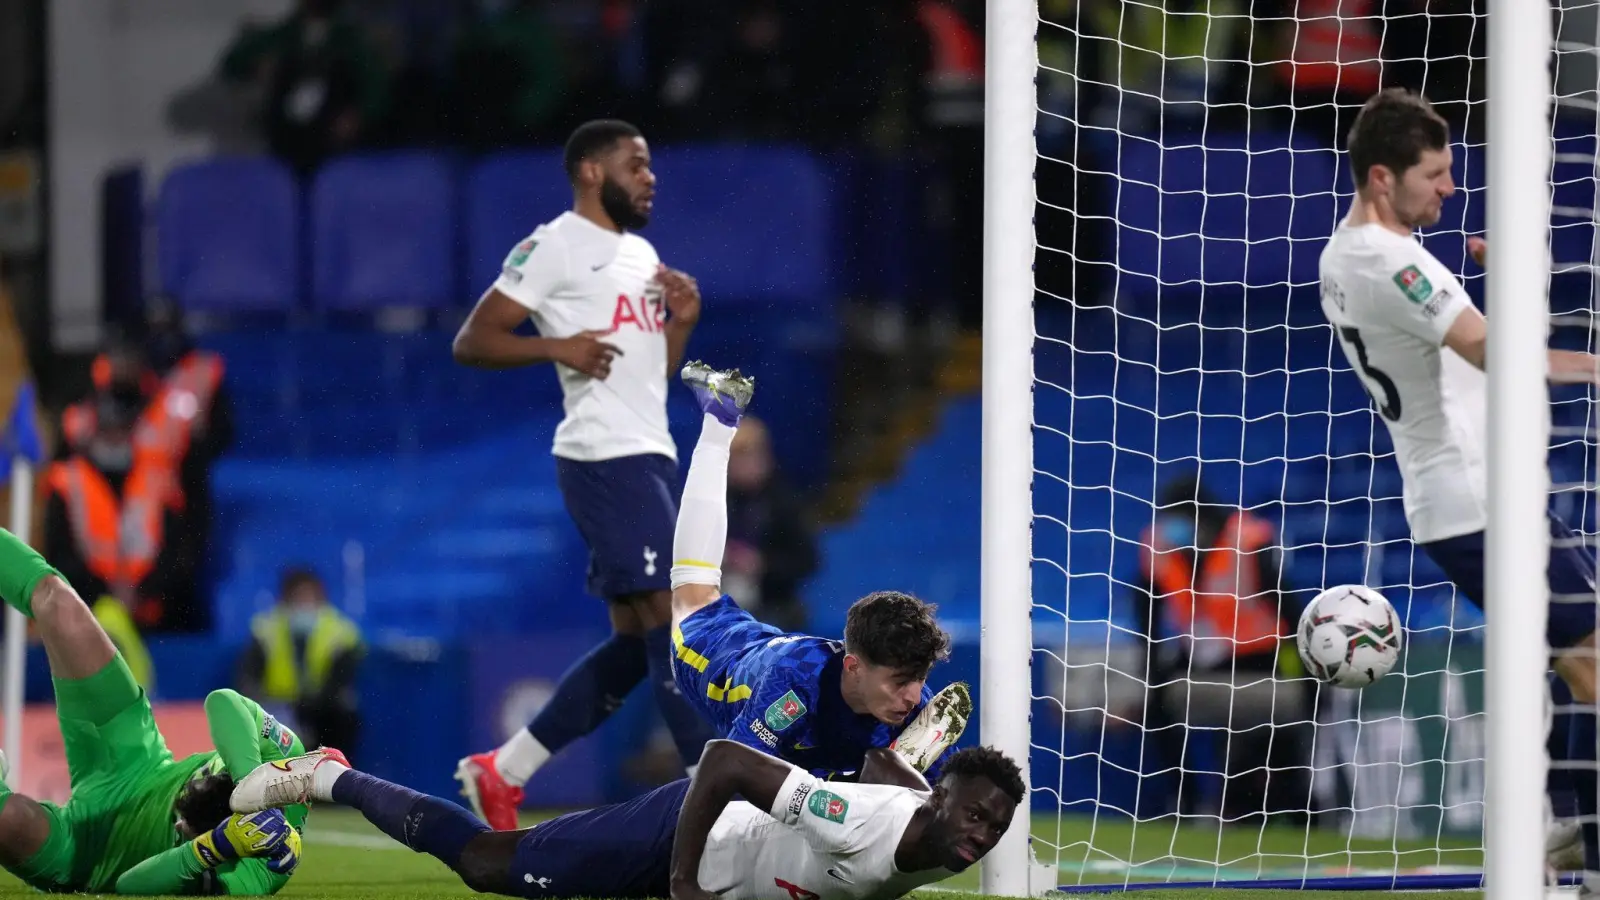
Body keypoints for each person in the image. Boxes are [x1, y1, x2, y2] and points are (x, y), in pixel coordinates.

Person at [1318, 87, 1600, 880]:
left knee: (1578, 659)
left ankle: (1570, 828)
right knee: (1588, 660)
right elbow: (1495, 356)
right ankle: (1574, 835)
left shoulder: (1343, 257)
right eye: (1435, 175)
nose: (1449, 188)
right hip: (1475, 497)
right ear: (1383, 177)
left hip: (1469, 495)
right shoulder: (1390, 260)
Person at [451, 118, 715, 828]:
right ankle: (714, 803)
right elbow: (473, 339)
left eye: (651, 164)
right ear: (592, 172)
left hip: (646, 449)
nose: (649, 176)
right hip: (604, 456)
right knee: (677, 624)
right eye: (636, 163)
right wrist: (556, 345)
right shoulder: (555, 245)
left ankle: (502, 773)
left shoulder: (641, 254)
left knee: (639, 643)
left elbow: (650, 374)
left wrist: (682, 323)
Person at [228, 739, 1022, 900]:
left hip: (722, 868)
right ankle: (328, 776)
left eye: (996, 829)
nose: (982, 838)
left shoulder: (936, 828)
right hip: (686, 838)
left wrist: (914, 767)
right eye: (976, 815)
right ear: (942, 799)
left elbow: (890, 778)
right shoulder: (861, 824)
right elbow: (723, 762)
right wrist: (681, 882)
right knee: (484, 865)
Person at [667, 361, 969, 780]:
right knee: (693, 594)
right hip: (714, 652)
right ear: (854, 668)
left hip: (777, 626)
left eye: (919, 679)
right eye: (901, 682)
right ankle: (719, 423)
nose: (913, 696)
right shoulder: (791, 689)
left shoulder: (914, 706)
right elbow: (731, 777)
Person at [0, 528, 328, 894]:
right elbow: (223, 701)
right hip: (134, 758)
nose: (176, 829)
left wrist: (207, 849)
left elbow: (130, 885)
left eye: (184, 836)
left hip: (83, 856)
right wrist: (250, 779)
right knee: (58, 603)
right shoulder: (281, 765)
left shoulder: (254, 875)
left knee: (8, 820)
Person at [236, 567, 365, 753]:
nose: (304, 605)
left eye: (310, 597)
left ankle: (335, 771)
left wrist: (309, 708)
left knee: (344, 714)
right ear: (285, 599)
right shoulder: (265, 630)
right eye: (298, 597)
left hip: (321, 708)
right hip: (277, 707)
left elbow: (340, 682)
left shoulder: (341, 632)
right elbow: (248, 678)